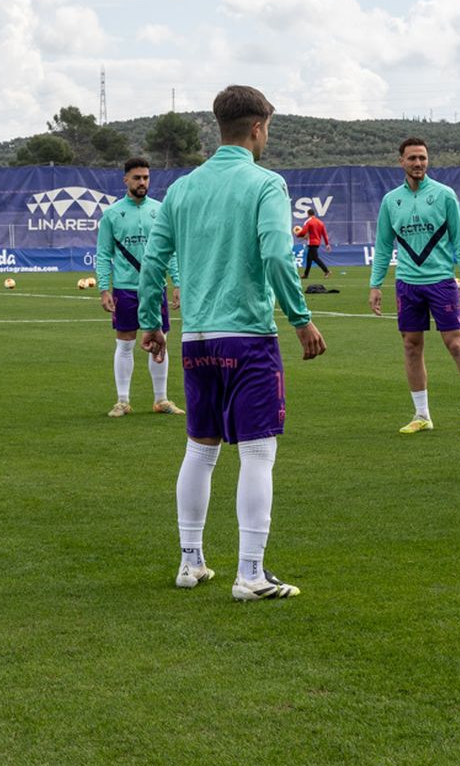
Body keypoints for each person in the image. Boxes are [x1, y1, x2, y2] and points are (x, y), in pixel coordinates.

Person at [138, 85, 325, 601]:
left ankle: (190, 561)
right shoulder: (266, 184)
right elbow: (274, 255)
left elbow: (153, 262)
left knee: (199, 450)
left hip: (197, 339)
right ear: (259, 127)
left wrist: (152, 322)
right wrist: (301, 318)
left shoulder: (180, 190)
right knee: (258, 453)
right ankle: (250, 573)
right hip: (246, 338)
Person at [369, 137, 460, 437]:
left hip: (441, 282)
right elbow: (383, 247)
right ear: (401, 162)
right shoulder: (390, 201)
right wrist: (375, 284)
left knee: (456, 344)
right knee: (411, 347)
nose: (418, 163)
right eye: (412, 158)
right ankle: (422, 414)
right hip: (407, 284)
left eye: (422, 158)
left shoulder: (445, 195)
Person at [96, 157, 183, 416]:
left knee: (160, 341)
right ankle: (122, 401)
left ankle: (161, 400)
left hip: (155, 287)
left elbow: (172, 252)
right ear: (125, 180)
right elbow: (103, 254)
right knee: (125, 344)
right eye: (137, 177)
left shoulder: (160, 210)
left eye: (146, 177)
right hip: (125, 288)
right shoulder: (111, 214)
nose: (142, 182)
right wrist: (104, 288)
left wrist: (177, 283)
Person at [300, 208, 331, 278]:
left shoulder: (308, 221)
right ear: (314, 214)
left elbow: (304, 232)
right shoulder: (320, 222)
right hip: (317, 242)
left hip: (311, 242)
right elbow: (324, 234)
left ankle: (326, 271)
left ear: (308, 214)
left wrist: (299, 235)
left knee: (315, 258)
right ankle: (306, 274)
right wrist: (327, 244)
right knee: (309, 259)